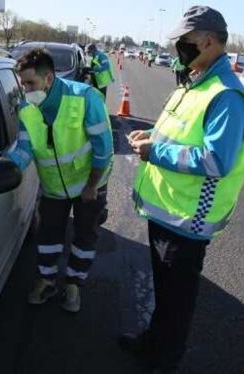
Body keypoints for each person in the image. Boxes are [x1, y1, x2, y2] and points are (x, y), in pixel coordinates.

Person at [122, 6, 244, 373]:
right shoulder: (195, 81)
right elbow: (180, 132)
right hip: (167, 209)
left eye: (184, 41)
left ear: (207, 41)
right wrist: (152, 136)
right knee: (165, 293)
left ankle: (164, 359)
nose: (178, 47)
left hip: (188, 219)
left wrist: (154, 151)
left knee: (177, 301)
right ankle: (152, 343)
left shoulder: (225, 94)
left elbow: (215, 160)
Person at [8, 48, 114, 312]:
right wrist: (4, 166)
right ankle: (47, 281)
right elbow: (24, 149)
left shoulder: (85, 98)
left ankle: (74, 285)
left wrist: (91, 186)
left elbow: (104, 149)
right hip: (54, 187)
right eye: (23, 84)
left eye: (30, 83)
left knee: (84, 236)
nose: (26, 89)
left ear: (48, 78)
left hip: (89, 185)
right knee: (49, 236)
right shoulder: (27, 110)